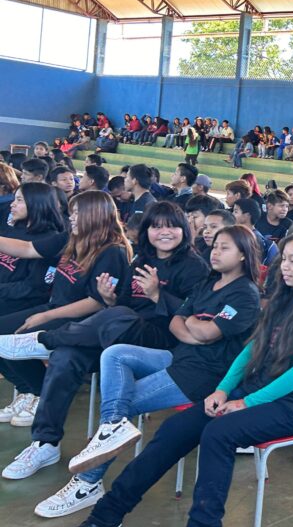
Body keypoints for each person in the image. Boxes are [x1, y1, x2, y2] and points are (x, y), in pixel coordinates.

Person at [41, 229, 293, 527]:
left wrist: (247, 402)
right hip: (252, 391)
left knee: (218, 434)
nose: (285, 267)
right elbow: (250, 350)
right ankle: (104, 521)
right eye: (284, 259)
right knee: (174, 429)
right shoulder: (282, 299)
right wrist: (224, 390)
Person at [4, 204, 208, 503]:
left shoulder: (195, 267)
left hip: (160, 341)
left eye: (172, 226)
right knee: (66, 358)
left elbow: (195, 317)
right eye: (156, 226)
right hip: (120, 331)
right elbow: (122, 301)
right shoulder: (141, 258)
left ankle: (45, 340)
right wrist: (111, 298)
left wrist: (157, 295)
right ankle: (45, 443)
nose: (164, 232)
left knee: (119, 316)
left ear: (184, 229)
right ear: (147, 231)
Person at [59, 226, 261, 485]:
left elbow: (210, 332)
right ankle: (104, 444)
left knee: (121, 405)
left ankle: (86, 483)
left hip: (202, 374)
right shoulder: (207, 283)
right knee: (115, 354)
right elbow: (176, 321)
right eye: (215, 246)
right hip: (179, 357)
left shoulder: (245, 294)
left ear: (243, 254)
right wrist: (192, 330)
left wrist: (194, 326)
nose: (215, 252)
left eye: (225, 247)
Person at [0, 191, 132, 429]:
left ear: (95, 215)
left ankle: (41, 393)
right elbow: (28, 249)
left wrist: (45, 315)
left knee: (18, 337)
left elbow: (96, 302)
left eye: (77, 213)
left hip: (81, 322)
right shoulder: (71, 237)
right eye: (71, 213)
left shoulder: (112, 252)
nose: (71, 218)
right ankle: (28, 390)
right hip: (55, 308)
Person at [0, 184, 67, 317]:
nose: (12, 205)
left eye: (19, 200)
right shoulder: (14, 228)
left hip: (16, 304)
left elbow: (34, 288)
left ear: (36, 203)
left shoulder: (50, 241)